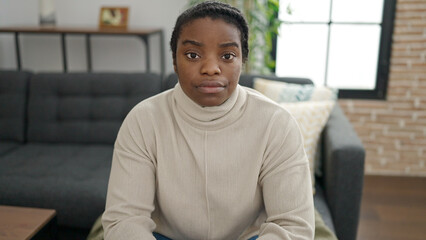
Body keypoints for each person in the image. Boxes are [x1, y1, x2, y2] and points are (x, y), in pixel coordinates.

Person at [101, 1, 314, 239]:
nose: (211, 68)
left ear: (242, 61)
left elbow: (292, 227)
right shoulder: (143, 120)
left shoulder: (277, 123)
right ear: (174, 60)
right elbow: (124, 220)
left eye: (227, 55)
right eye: (193, 55)